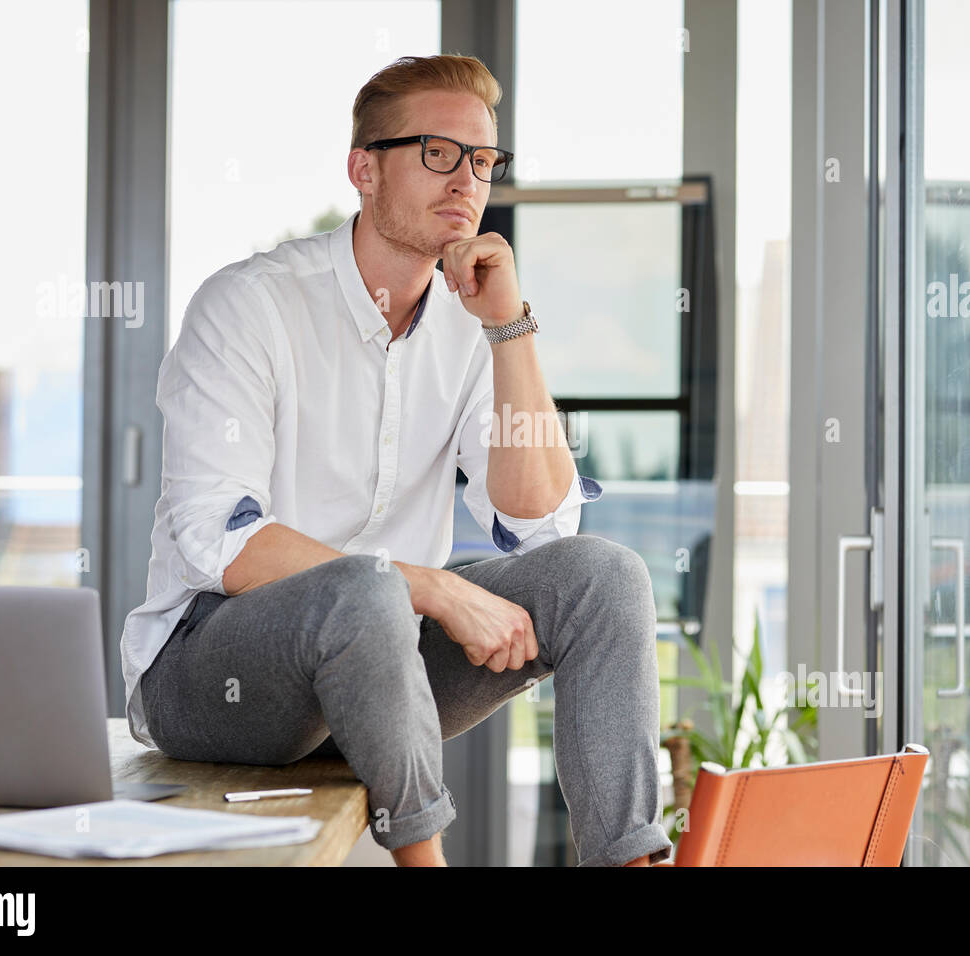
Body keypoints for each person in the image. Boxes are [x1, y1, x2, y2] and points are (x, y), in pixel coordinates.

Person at [119, 53, 672, 867]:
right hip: (215, 670)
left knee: (603, 577)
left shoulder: (471, 321)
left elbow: (539, 523)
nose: (467, 181)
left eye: (483, 160)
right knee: (369, 586)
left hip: (388, 660)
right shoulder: (250, 305)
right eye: (438, 153)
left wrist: (508, 327)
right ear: (363, 169)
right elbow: (218, 536)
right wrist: (433, 587)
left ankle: (628, 863)